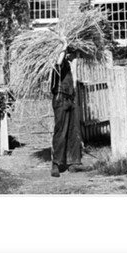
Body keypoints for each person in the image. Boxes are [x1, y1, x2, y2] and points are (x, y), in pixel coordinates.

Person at [49, 48, 83, 177]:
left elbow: (74, 76)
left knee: (73, 130)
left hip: (70, 97)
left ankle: (72, 162)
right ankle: (56, 164)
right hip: (60, 98)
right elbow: (58, 62)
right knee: (61, 131)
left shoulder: (69, 65)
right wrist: (64, 44)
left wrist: (74, 59)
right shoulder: (56, 64)